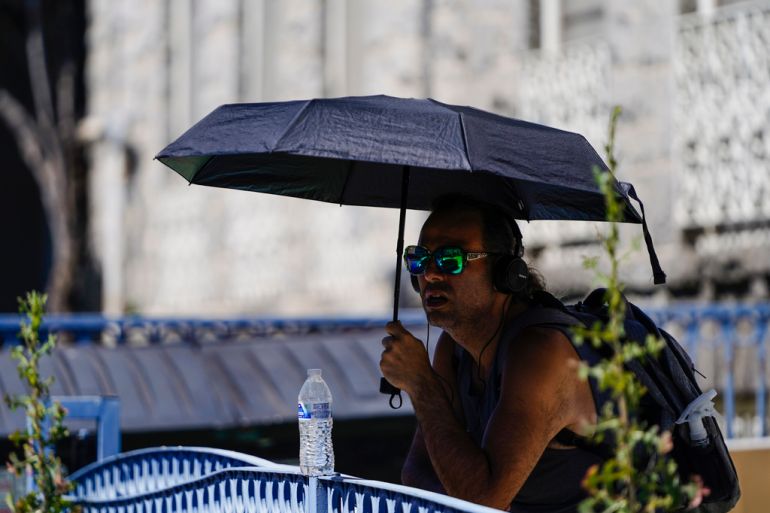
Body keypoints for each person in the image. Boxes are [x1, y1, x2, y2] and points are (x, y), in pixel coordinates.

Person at [379, 195, 604, 513]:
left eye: (450, 259)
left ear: (504, 272)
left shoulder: (540, 352)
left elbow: (484, 503)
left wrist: (422, 385)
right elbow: (416, 472)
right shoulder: (454, 348)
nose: (429, 274)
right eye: (419, 258)